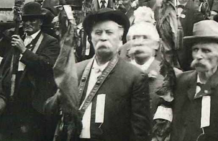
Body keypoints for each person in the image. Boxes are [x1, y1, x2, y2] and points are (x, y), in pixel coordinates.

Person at [45, 9, 151, 141]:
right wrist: (62, 93)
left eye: (109, 32)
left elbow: (139, 131)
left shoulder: (134, 76)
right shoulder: (76, 70)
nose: (103, 37)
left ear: (120, 37)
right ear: (90, 38)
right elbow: (49, 112)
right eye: (98, 32)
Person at [1, 2, 59, 141]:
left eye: (32, 20)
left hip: (34, 102)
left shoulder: (50, 42)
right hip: (13, 99)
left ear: (40, 22)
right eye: (25, 20)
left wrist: (24, 50)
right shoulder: (16, 38)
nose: (28, 23)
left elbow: (46, 66)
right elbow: (4, 65)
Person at [126, 22, 180, 118]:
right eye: (134, 38)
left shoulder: (173, 75)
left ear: (156, 44)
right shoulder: (119, 74)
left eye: (145, 37)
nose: (139, 42)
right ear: (129, 44)